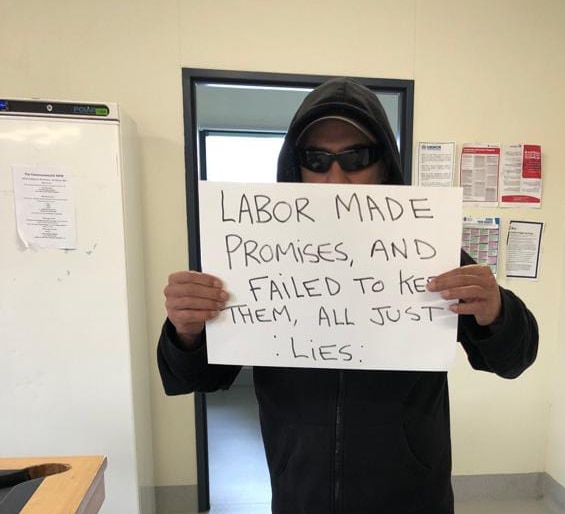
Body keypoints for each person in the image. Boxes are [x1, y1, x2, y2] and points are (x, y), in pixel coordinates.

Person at [158, 77, 539, 514]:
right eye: (315, 159)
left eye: (356, 156)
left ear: (384, 165)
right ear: (295, 165)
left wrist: (499, 311)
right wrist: (184, 331)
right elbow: (195, 378)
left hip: (411, 499)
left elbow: (514, 359)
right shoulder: (255, 249)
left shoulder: (429, 247)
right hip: (299, 495)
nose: (334, 176)